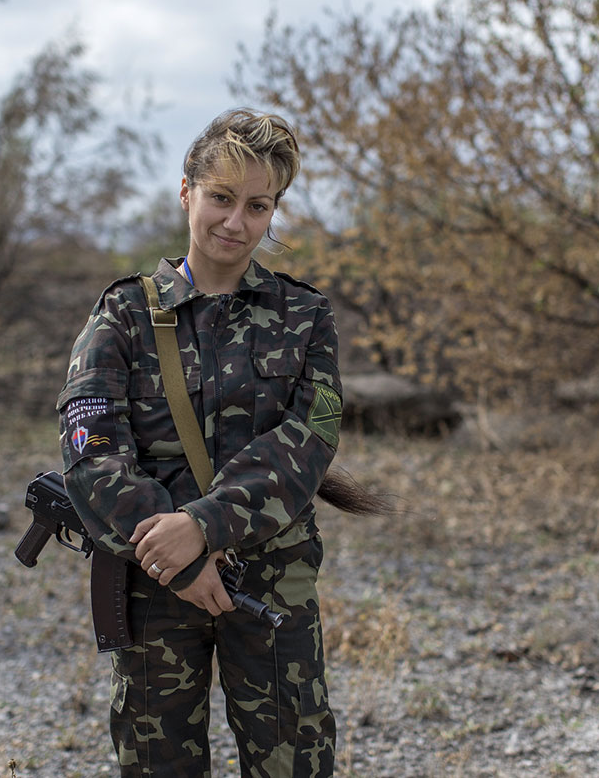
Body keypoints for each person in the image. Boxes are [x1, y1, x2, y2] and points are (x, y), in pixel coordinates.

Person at [57, 108, 374, 777]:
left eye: (258, 205)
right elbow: (91, 451)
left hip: (271, 581)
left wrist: (202, 526)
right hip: (154, 583)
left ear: (273, 211)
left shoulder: (304, 315)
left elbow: (306, 443)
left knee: (294, 758)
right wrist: (173, 554)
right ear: (186, 192)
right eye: (221, 197)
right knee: (157, 761)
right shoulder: (124, 314)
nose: (236, 222)